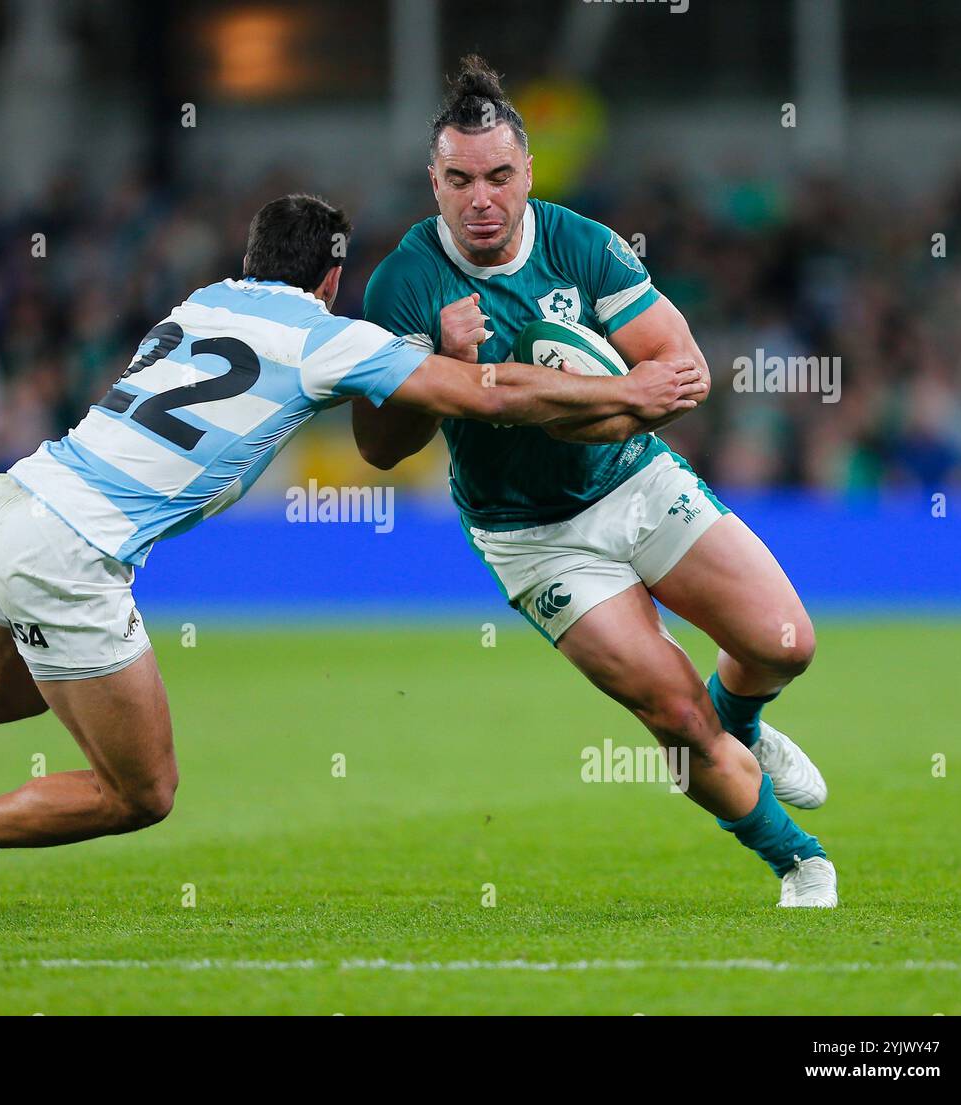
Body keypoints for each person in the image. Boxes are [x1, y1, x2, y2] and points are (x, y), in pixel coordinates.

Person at [0, 193, 704, 913]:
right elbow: (480, 397)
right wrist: (626, 398)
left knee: (0, 694)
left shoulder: (199, 304)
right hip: (76, 550)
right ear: (329, 273)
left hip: (17, 500)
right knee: (140, 793)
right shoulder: (325, 334)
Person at [353, 57, 836, 907]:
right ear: (434, 179)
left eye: (500, 175)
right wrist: (440, 367)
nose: (481, 199)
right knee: (677, 719)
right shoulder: (406, 285)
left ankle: (747, 727)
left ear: (529, 171)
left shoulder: (583, 243)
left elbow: (682, 372)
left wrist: (546, 406)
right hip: (533, 537)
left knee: (784, 644)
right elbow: (380, 448)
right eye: (459, 179)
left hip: (636, 481)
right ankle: (800, 862)